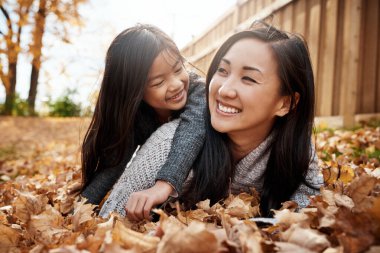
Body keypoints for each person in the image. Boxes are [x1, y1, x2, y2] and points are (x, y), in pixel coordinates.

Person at [100, 21, 323, 219]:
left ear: (286, 103)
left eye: (248, 78)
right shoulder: (168, 143)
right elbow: (107, 222)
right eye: (222, 70)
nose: (224, 90)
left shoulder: (296, 153)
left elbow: (307, 219)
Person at [80, 24, 206, 212]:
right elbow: (113, 165)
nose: (176, 84)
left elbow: (191, 132)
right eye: (158, 82)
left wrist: (165, 183)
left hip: (202, 186)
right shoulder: (139, 114)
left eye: (178, 69)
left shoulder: (198, 92)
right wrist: (82, 207)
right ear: (135, 91)